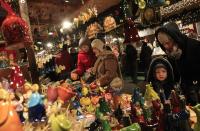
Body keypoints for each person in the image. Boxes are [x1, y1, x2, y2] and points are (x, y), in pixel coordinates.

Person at [155, 22, 200, 105]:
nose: (166, 47)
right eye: (163, 44)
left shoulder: (195, 46)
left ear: (175, 38)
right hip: (188, 95)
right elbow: (175, 76)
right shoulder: (171, 54)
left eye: (167, 42)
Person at [90, 39, 122, 109]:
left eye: (94, 48)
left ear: (99, 48)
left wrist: (97, 82)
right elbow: (101, 71)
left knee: (113, 109)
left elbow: (110, 74)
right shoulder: (101, 57)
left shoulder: (109, 57)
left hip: (112, 88)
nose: (93, 50)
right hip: (106, 88)